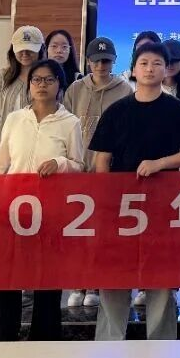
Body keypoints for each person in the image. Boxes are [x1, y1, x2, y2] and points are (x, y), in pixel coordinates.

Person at [90, 41, 180, 341]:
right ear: (133, 69)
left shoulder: (177, 110)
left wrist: (160, 163)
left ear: (166, 70)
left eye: (156, 63)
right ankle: (109, 344)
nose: (150, 69)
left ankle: (161, 346)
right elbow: (102, 159)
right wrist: (106, 199)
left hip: (163, 206)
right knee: (114, 277)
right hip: (121, 208)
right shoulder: (117, 110)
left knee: (161, 277)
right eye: (144, 63)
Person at [0, 58, 85, 342]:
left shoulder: (70, 123)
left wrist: (60, 163)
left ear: (60, 85)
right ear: (29, 85)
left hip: (51, 213)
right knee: (8, 278)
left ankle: (44, 340)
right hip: (13, 211)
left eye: (49, 80)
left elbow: (79, 165)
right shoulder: (15, 120)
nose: (42, 85)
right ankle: (4, 339)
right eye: (37, 79)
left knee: (47, 280)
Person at [62, 36, 132, 308]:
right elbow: (65, 125)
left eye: (106, 61)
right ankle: (78, 283)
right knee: (79, 233)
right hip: (80, 173)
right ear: (88, 62)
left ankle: (97, 284)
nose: (101, 66)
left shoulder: (124, 90)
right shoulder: (75, 89)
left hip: (109, 175)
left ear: (114, 62)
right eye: (96, 61)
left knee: (104, 234)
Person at [0, 26, 46, 166]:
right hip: (3, 156)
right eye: (20, 49)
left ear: (41, 49)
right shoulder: (1, 78)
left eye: (30, 49)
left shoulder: (48, 79)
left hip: (36, 157)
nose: (25, 53)